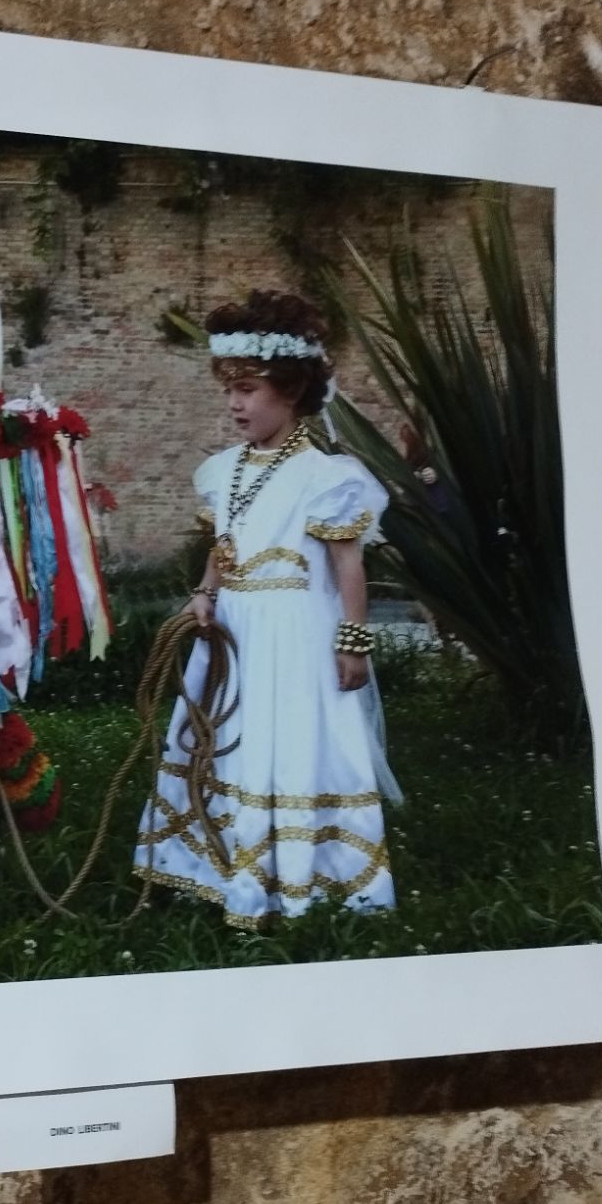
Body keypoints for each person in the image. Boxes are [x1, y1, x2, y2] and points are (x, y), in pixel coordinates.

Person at [134, 290, 401, 927]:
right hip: (233, 631)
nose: (234, 403)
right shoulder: (223, 470)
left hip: (295, 634)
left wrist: (353, 640)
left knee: (289, 742)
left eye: (248, 390)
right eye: (229, 390)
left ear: (291, 391)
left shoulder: (326, 477)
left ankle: (297, 872)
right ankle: (215, 860)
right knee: (227, 741)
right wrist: (204, 592)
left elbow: (347, 567)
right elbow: (222, 546)